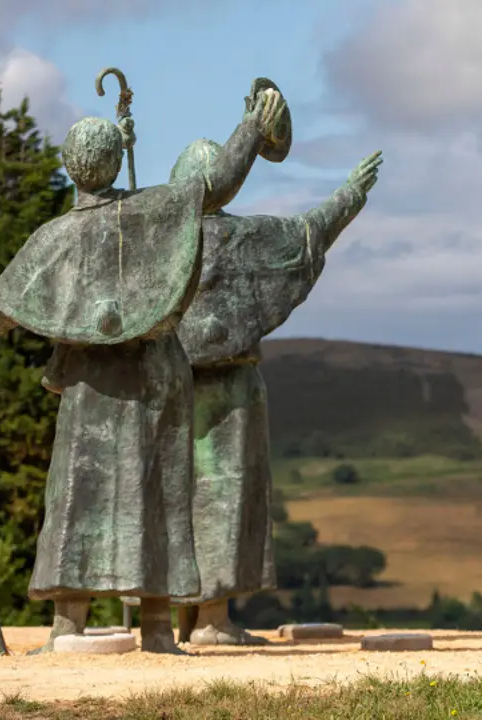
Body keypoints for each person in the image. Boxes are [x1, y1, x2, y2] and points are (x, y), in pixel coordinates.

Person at [0, 87, 289, 654]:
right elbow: (217, 185)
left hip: (95, 381)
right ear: (114, 163)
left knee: (79, 494)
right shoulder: (149, 213)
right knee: (157, 492)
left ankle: (70, 629)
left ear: (70, 168)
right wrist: (253, 129)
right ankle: (158, 632)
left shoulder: (55, 239)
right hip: (158, 375)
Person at [169, 149, 382, 645]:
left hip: (166, 385)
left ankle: (180, 620)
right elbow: (308, 236)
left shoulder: (153, 238)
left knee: (175, 496)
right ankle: (214, 621)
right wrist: (350, 193)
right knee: (221, 493)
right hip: (229, 388)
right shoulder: (241, 239)